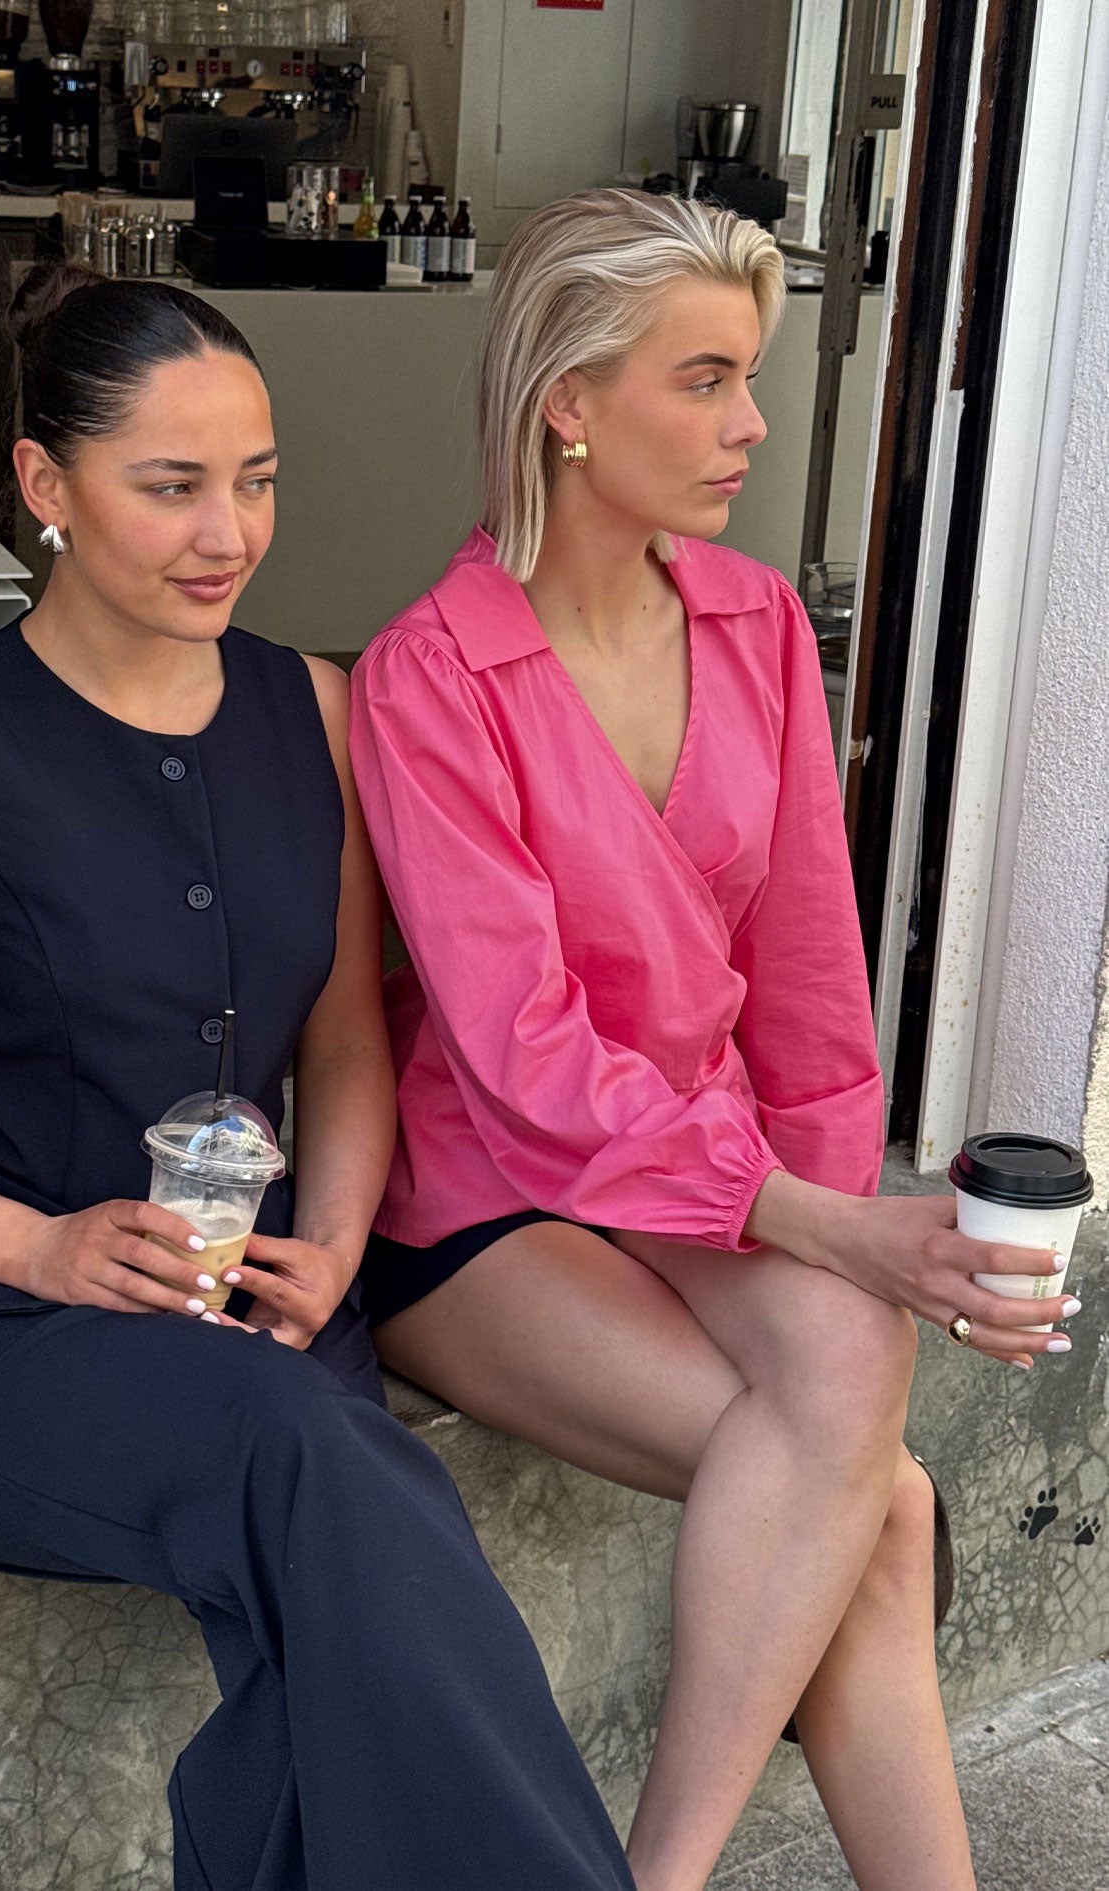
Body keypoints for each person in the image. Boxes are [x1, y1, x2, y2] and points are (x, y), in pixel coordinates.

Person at [0, 266, 635, 1891]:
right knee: (328, 1480)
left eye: (257, 481)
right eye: (172, 486)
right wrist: (36, 1245)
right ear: (47, 485)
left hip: (253, 1312)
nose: (229, 532)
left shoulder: (316, 711)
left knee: (321, 1604)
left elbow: (344, 1039)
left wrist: (330, 1245)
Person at [348, 189, 1077, 1891]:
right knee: (880, 1504)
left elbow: (811, 991)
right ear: (569, 402)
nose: (754, 423)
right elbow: (523, 1059)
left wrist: (847, 1235)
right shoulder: (431, 676)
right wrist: (828, 1230)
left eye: (751, 376)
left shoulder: (756, 625)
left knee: (857, 1406)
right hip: (490, 1197)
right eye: (705, 380)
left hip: (704, 1174)